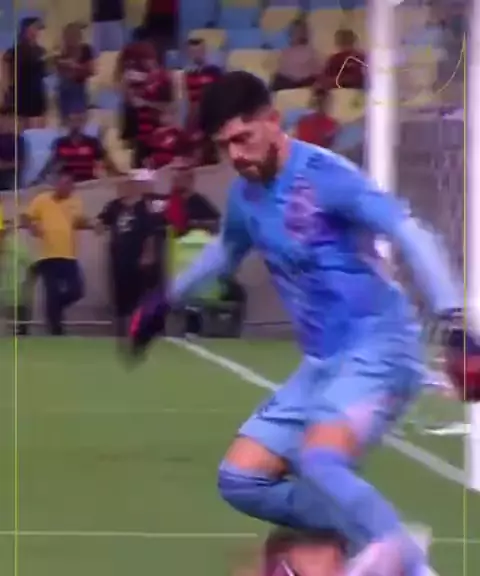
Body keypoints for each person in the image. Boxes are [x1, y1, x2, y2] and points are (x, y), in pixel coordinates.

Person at [127, 72, 464, 575]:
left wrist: (453, 319)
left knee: (319, 462)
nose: (236, 155)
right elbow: (226, 251)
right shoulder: (246, 196)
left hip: (380, 347)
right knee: (241, 479)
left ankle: (404, 559)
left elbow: (408, 231)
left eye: (243, 138)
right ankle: (376, 536)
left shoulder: (326, 176)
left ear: (273, 120)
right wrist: (164, 300)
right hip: (323, 364)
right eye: (225, 145)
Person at [96, 170, 168, 337]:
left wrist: (148, 253)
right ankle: (122, 331)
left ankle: (146, 329)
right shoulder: (114, 206)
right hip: (118, 257)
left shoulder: (144, 206)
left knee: (142, 294)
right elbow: (101, 222)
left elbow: (150, 232)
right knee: (120, 295)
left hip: (138, 255)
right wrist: (97, 224)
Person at [22, 169, 87, 335]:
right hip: (47, 255)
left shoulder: (76, 201)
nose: (67, 187)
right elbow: (25, 217)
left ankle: (55, 309)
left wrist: (88, 222)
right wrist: (32, 227)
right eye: (63, 183)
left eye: (70, 184)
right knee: (52, 291)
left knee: (77, 291)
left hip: (69, 255)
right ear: (56, 184)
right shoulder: (42, 199)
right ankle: (56, 330)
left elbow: (79, 220)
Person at [34, 111, 121, 183]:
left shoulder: (92, 142)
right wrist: (40, 178)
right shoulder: (60, 143)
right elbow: (50, 165)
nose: (76, 124)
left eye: (79, 120)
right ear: (67, 123)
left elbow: (107, 161)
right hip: (67, 184)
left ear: (83, 123)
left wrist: (118, 175)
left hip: (87, 183)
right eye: (72, 121)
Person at [2, 17, 48, 128]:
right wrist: (7, 91)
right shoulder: (14, 51)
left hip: (37, 94)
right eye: (33, 28)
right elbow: (6, 72)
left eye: (37, 29)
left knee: (38, 127)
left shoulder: (41, 51)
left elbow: (44, 72)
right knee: (22, 126)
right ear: (25, 30)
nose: (36, 32)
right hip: (20, 94)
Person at [55, 22, 95, 121]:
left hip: (78, 89)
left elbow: (91, 70)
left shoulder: (85, 49)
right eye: (67, 35)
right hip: (64, 90)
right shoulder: (62, 51)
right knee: (65, 122)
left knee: (78, 120)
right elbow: (59, 71)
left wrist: (74, 66)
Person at [270, 18, 321, 92]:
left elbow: (318, 72)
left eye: (302, 31)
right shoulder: (285, 53)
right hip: (286, 85)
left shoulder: (313, 53)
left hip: (306, 86)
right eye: (296, 31)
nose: (299, 33)